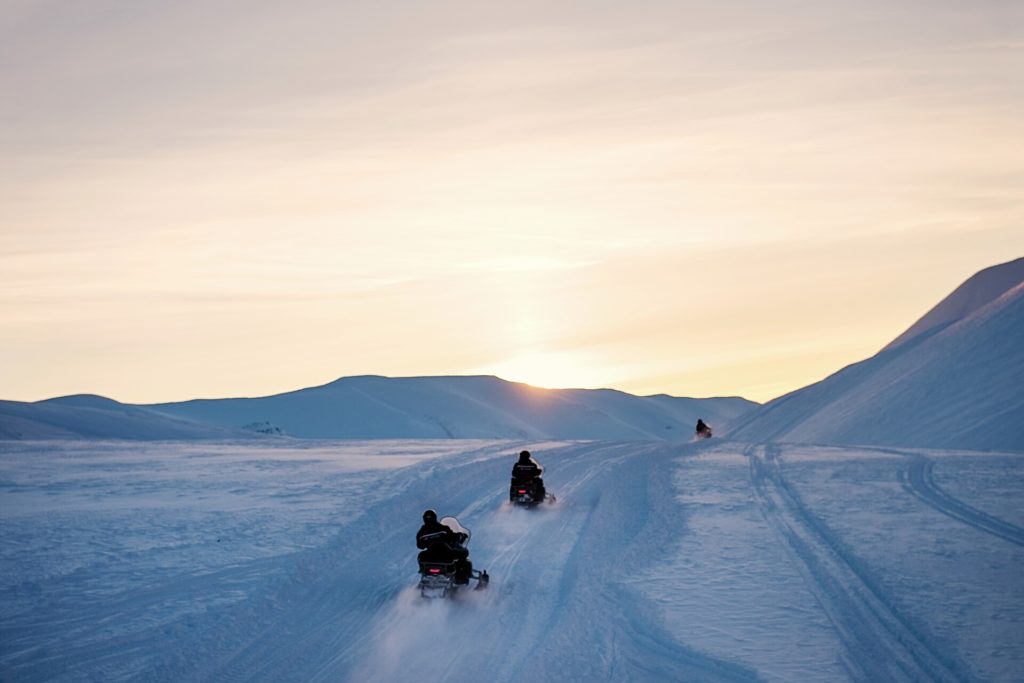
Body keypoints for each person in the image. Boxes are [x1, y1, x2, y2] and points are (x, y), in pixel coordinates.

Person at [416, 509, 471, 583]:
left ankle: (424, 572)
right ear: (435, 517)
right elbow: (453, 536)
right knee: (464, 552)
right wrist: (461, 535)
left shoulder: (421, 533)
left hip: (430, 556)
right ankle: (460, 577)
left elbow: (420, 546)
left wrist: (428, 541)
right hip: (445, 554)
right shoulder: (443, 528)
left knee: (421, 555)